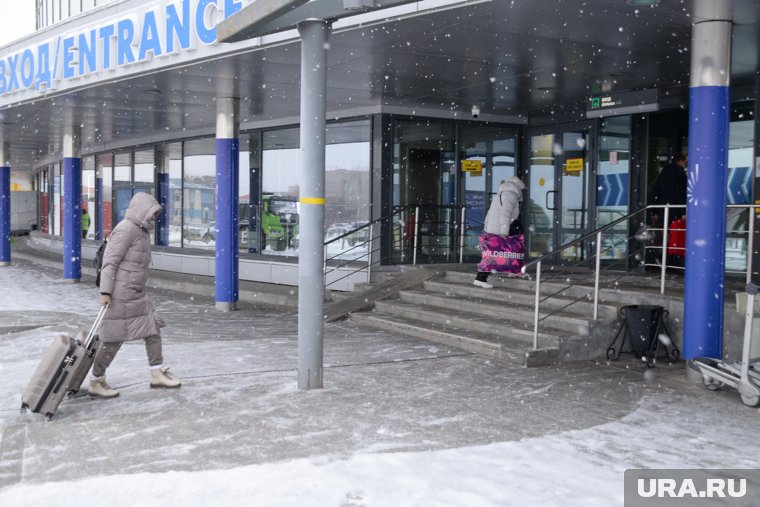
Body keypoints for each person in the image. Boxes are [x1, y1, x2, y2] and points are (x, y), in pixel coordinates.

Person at [89, 192, 181, 398]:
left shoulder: (141, 231)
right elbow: (110, 263)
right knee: (113, 339)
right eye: (152, 214)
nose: (154, 218)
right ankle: (96, 380)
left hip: (137, 293)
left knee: (152, 328)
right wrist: (105, 292)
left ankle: (156, 372)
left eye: (156, 215)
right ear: (141, 211)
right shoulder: (126, 229)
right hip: (119, 294)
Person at [474, 175, 526, 289]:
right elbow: (505, 213)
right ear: (518, 188)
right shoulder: (511, 195)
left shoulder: (501, 194)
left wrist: (486, 228)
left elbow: (489, 213)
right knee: (495, 253)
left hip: (493, 228)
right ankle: (480, 278)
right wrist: (504, 231)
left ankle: (513, 269)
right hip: (499, 228)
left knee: (495, 252)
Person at [651, 153, 687, 223]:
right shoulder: (680, 175)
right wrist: (683, 211)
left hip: (663, 209)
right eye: (685, 161)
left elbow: (656, 193)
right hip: (676, 209)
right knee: (675, 231)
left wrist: (655, 212)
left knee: (665, 229)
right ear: (680, 161)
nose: (685, 164)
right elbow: (680, 193)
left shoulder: (662, 175)